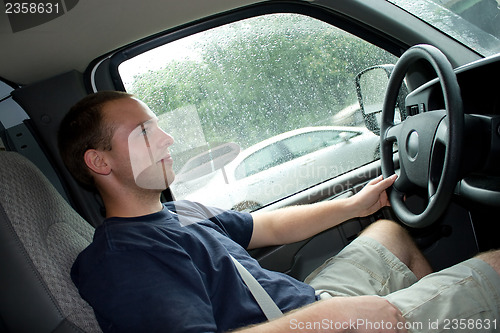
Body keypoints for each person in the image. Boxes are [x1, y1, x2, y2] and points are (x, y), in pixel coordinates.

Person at [58, 91, 500, 333]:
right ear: (100, 162)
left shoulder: (177, 212)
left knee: (390, 234)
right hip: (304, 323)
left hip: (302, 307)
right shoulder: (125, 258)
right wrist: (323, 320)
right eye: (145, 132)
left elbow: (265, 225)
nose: (168, 139)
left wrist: (353, 204)